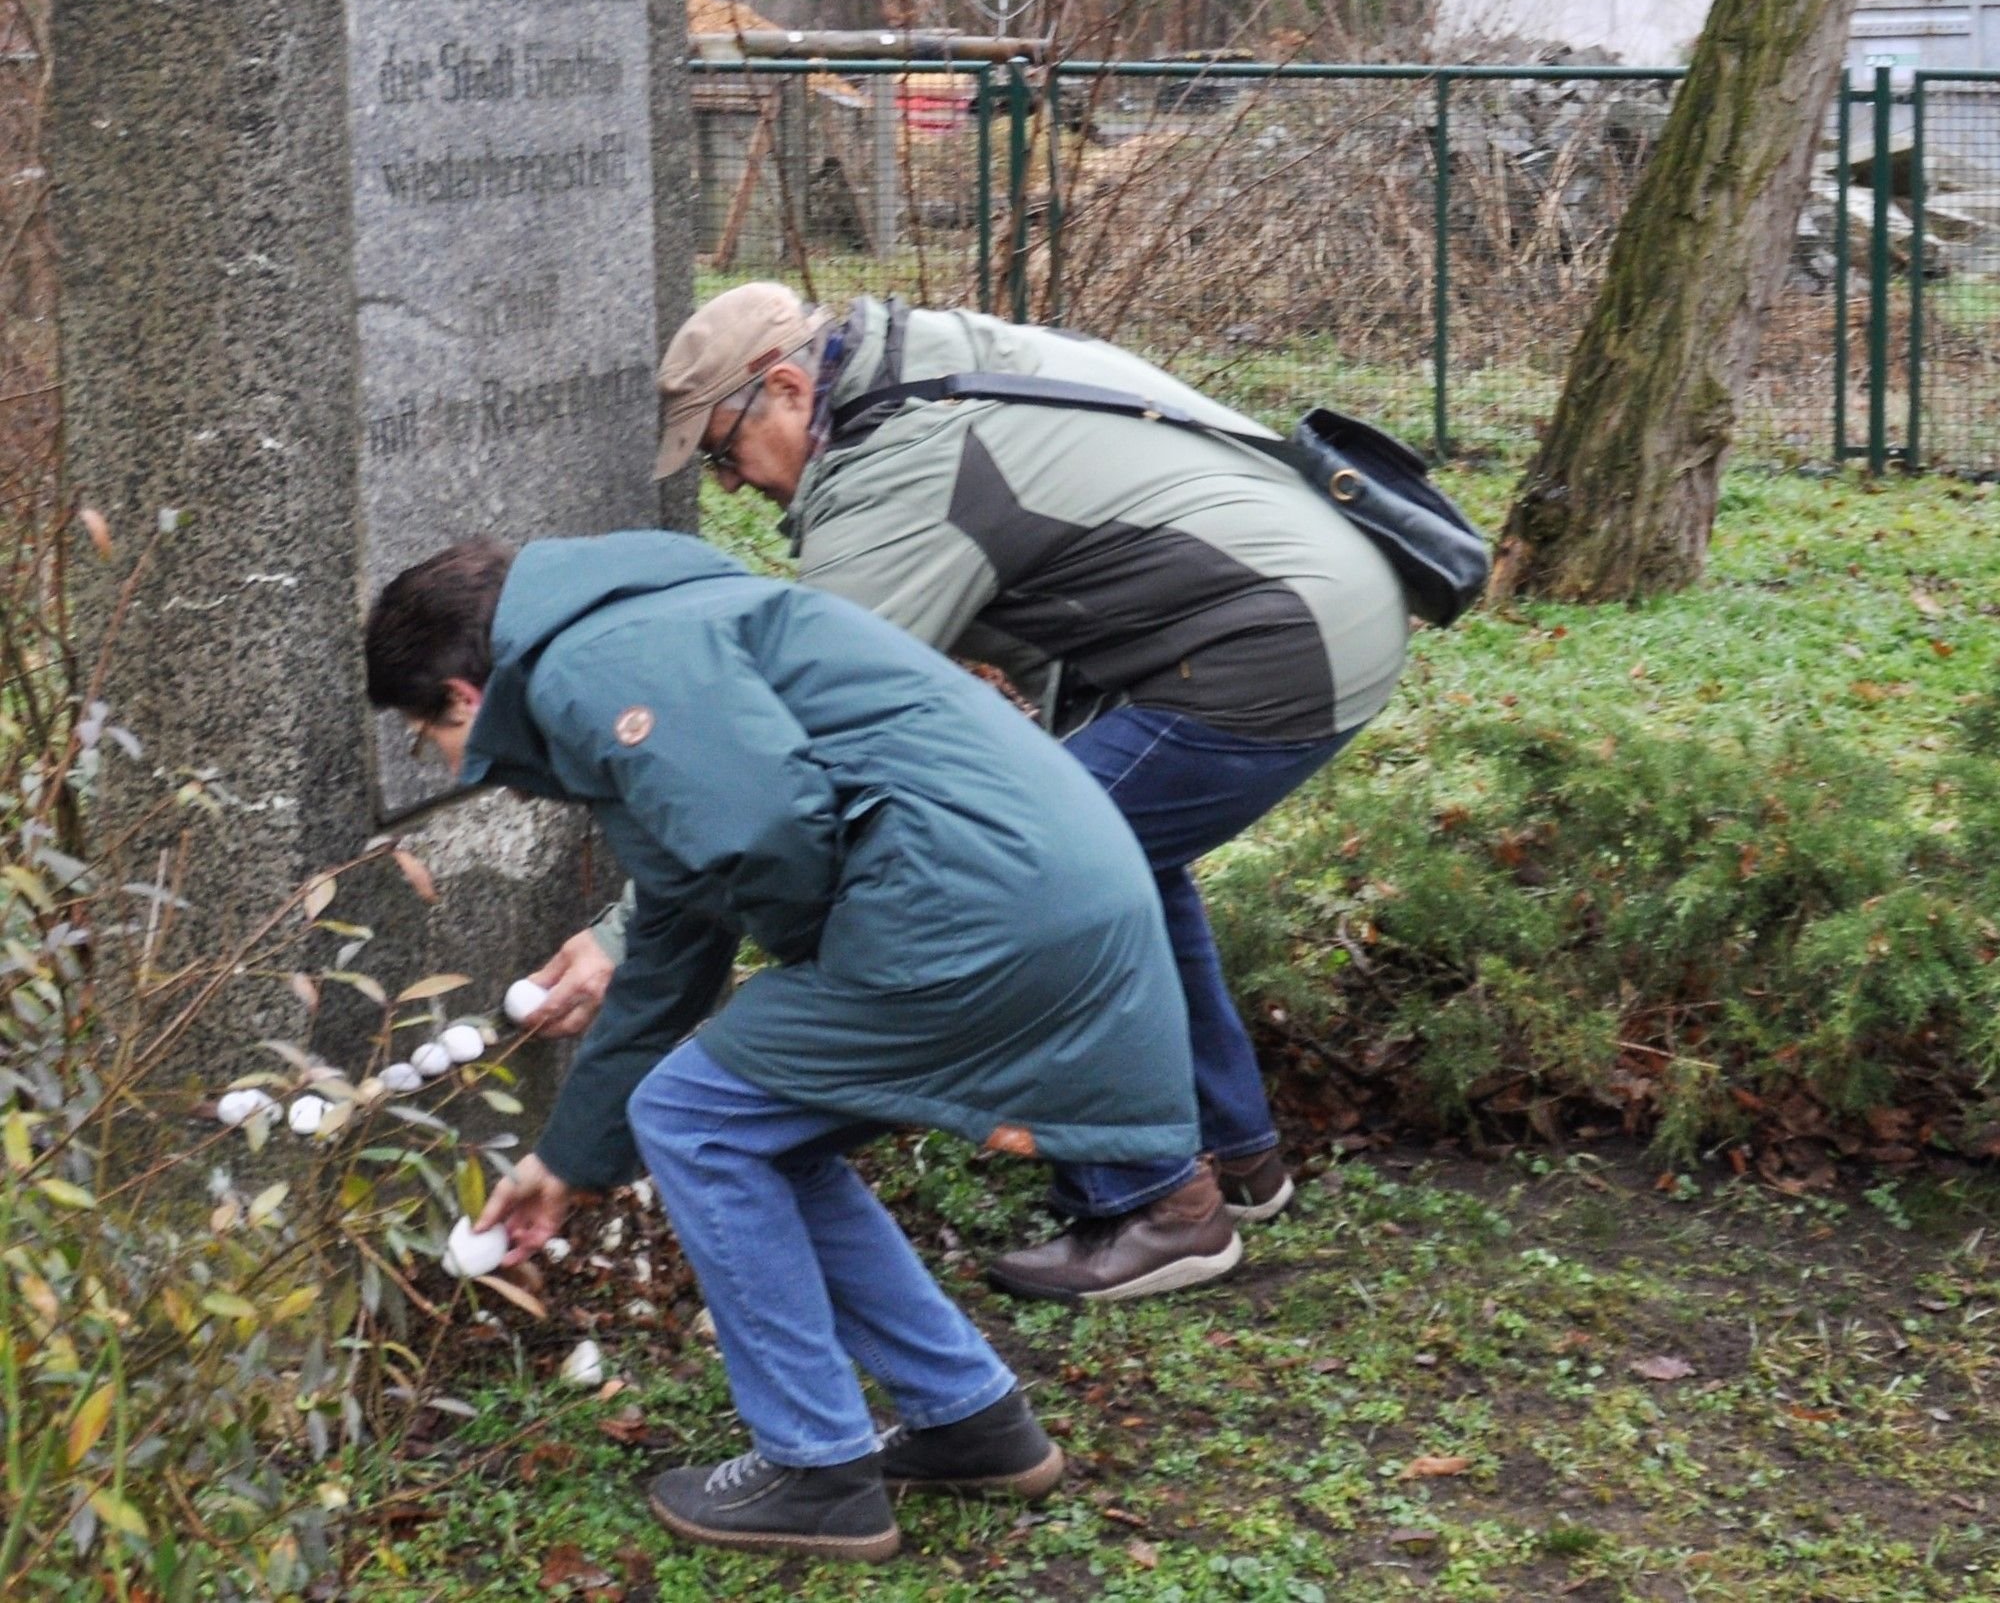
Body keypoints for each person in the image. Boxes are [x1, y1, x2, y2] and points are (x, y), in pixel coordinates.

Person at [519, 284, 1413, 1302]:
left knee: (1029, 885)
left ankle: (1164, 1205)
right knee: (1119, 862)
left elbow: (775, 752)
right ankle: (1228, 1148)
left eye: (723, 452)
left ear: (783, 387)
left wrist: (625, 935)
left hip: (1269, 644)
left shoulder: (893, 471)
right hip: (1311, 603)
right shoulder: (927, 360)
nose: (727, 487)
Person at [371, 533, 1198, 1560]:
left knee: (696, 1117)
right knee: (758, 1126)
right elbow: (678, 924)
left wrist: (816, 955)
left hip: (970, 906)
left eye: (424, 737)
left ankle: (815, 1469)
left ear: (460, 695)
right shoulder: (636, 634)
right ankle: (968, 1421)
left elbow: (760, 833)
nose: (446, 762)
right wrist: (566, 1161)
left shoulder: (597, 665)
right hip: (1027, 888)